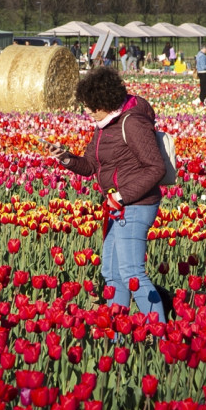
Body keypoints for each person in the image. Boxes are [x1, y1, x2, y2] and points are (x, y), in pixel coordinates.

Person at [46, 67, 166, 322]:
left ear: (105, 101)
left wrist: (122, 196)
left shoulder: (132, 122)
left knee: (132, 273)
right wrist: (66, 158)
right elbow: (90, 166)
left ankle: (160, 335)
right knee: (112, 273)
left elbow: (156, 168)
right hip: (117, 205)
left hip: (136, 204)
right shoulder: (104, 124)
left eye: (90, 106)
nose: (86, 111)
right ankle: (116, 334)